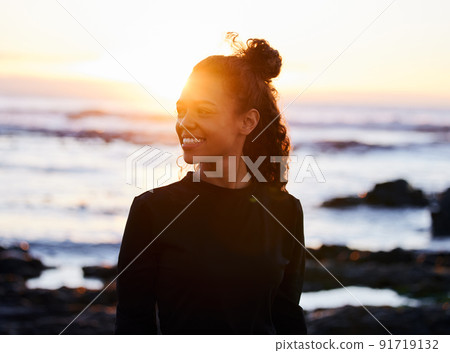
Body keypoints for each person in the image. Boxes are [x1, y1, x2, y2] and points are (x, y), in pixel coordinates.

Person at [114, 32, 307, 334]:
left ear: (248, 122)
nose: (185, 122)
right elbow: (133, 326)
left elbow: (288, 319)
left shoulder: (286, 212)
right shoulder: (152, 211)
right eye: (181, 110)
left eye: (203, 111)